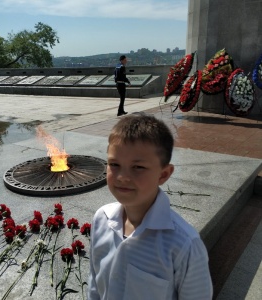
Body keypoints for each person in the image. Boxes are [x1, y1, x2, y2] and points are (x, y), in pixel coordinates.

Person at [88, 113, 213, 300]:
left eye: (138, 167)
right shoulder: (101, 219)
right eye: (114, 164)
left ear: (163, 175)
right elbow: (95, 287)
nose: (122, 176)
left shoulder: (183, 244)